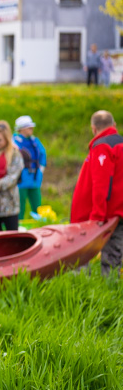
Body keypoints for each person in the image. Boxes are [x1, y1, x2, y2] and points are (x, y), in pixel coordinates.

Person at [72, 110, 123, 277]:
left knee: (84, 255)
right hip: (117, 212)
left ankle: (86, 291)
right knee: (114, 256)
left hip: (102, 215)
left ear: (93, 128)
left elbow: (101, 183)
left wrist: (97, 216)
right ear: (114, 125)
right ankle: (111, 291)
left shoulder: (102, 146)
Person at [13, 115, 46, 219]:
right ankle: (18, 227)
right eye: (29, 127)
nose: (31, 129)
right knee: (20, 206)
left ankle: (39, 224)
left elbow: (42, 154)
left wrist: (41, 169)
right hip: (21, 179)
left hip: (34, 178)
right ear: (21, 129)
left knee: (37, 205)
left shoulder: (35, 141)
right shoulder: (14, 142)